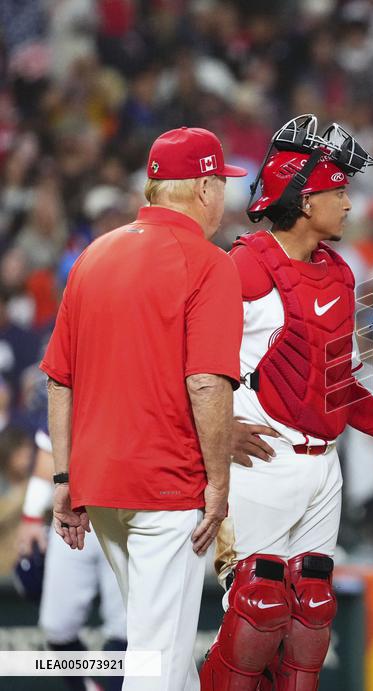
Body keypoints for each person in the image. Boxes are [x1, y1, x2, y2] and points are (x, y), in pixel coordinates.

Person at [200, 115, 373, 690]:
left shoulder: (338, 273)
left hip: (324, 466)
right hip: (260, 464)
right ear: (304, 200)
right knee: (257, 615)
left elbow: (336, 386)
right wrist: (215, 434)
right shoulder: (244, 264)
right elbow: (191, 365)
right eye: (338, 191)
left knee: (311, 619)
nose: (349, 203)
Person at [40, 127, 246, 691]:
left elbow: (60, 380)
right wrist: (219, 483)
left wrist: (63, 475)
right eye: (220, 183)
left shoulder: (92, 255)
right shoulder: (208, 264)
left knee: (164, 653)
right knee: (157, 661)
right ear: (204, 187)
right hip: (168, 489)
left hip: (99, 487)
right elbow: (206, 383)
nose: (224, 195)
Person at [16, 421, 127, 691]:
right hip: (74, 514)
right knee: (57, 625)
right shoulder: (74, 383)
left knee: (126, 629)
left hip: (126, 515)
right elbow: (47, 445)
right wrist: (31, 516)